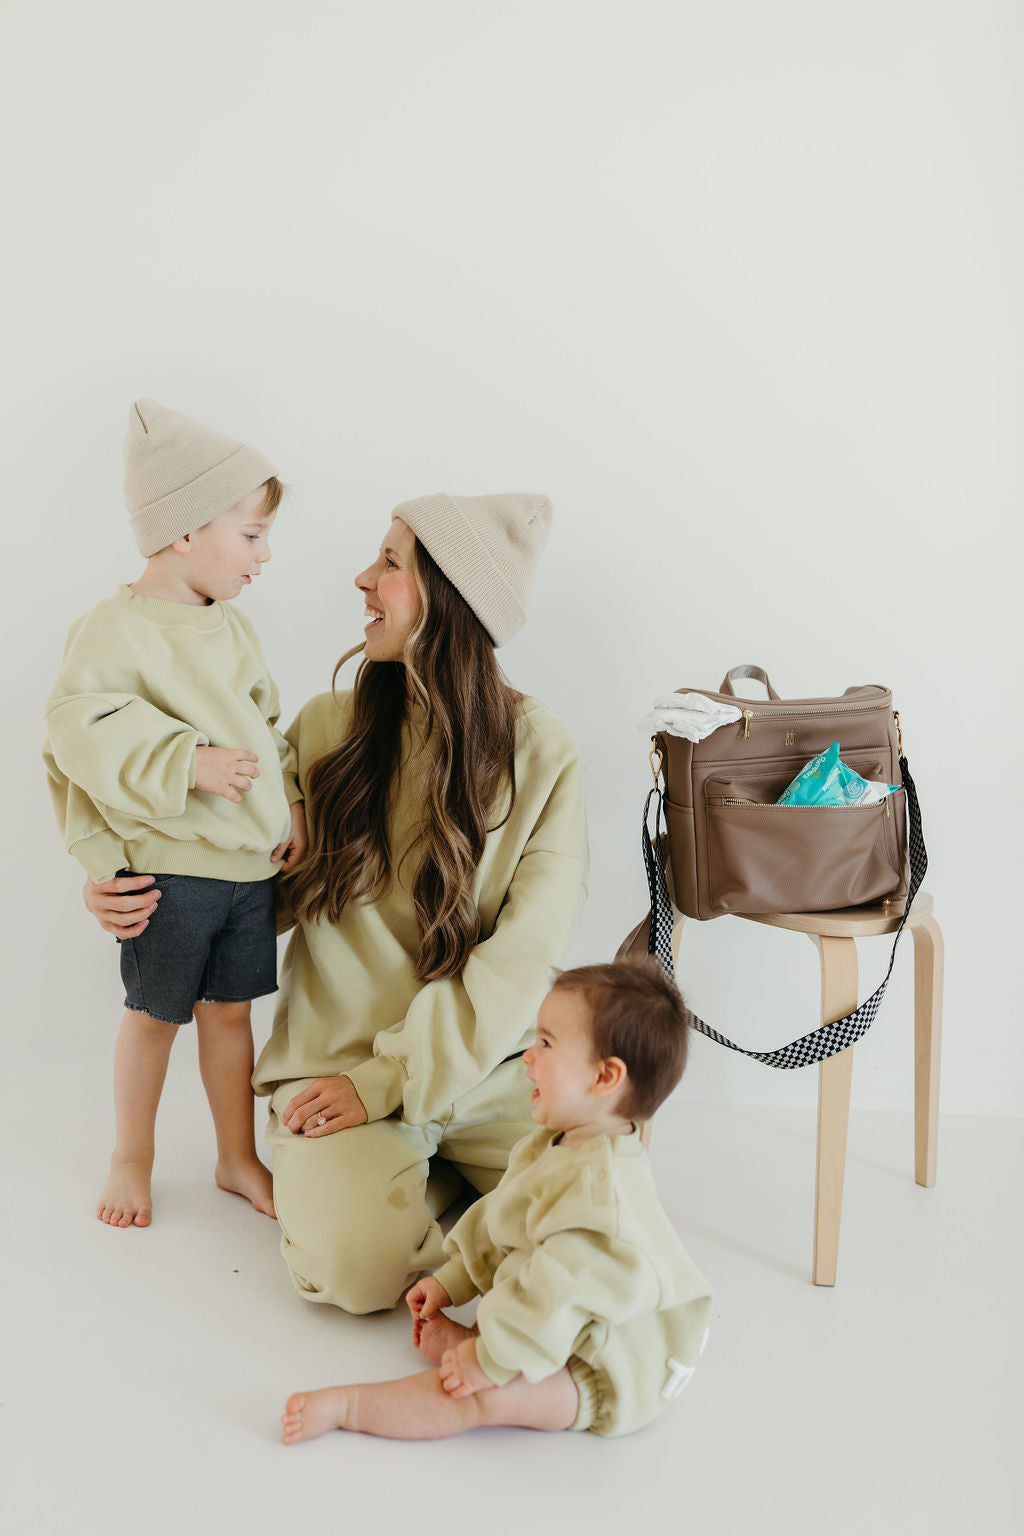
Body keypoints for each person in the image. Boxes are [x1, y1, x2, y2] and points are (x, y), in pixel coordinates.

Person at [84, 491, 588, 1313]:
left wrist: (402, 1079)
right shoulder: (324, 730)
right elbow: (244, 883)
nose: (363, 579)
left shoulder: (544, 753)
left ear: (452, 599)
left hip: (492, 1069)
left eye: (390, 564)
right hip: (336, 1075)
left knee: (600, 1205)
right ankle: (439, 1205)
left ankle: (439, 1194)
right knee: (358, 1276)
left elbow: (524, 956)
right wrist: (126, 879)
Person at [45, 399, 306, 1230]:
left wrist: (290, 799)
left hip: (245, 873)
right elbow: (77, 732)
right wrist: (184, 764)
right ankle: (133, 1156)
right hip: (170, 874)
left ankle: (235, 1156)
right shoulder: (113, 631)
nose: (264, 554)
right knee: (155, 1017)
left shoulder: (233, 631)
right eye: (252, 534)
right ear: (187, 529)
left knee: (231, 1017)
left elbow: (267, 726)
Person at [280, 956, 713, 1444]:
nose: (528, 1055)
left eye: (546, 1043)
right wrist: (453, 1281)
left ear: (604, 1078)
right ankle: (497, 1346)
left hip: (607, 1363)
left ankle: (349, 1407)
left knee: (474, 1395)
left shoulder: (597, 1200)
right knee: (507, 1333)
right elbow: (499, 1216)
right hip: (571, 1316)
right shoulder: (557, 1138)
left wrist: (488, 1362)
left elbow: (550, 1296)